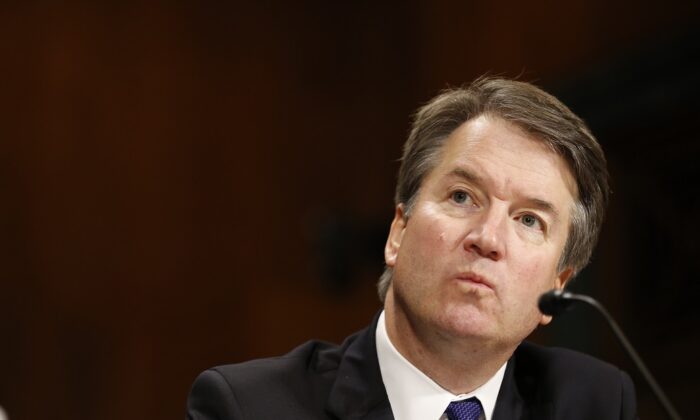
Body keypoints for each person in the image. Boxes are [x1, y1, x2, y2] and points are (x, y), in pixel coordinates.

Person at [186, 77, 638, 420]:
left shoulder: (595, 402)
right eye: (463, 197)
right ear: (397, 232)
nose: (487, 238)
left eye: (527, 220)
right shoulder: (248, 407)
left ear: (557, 286)